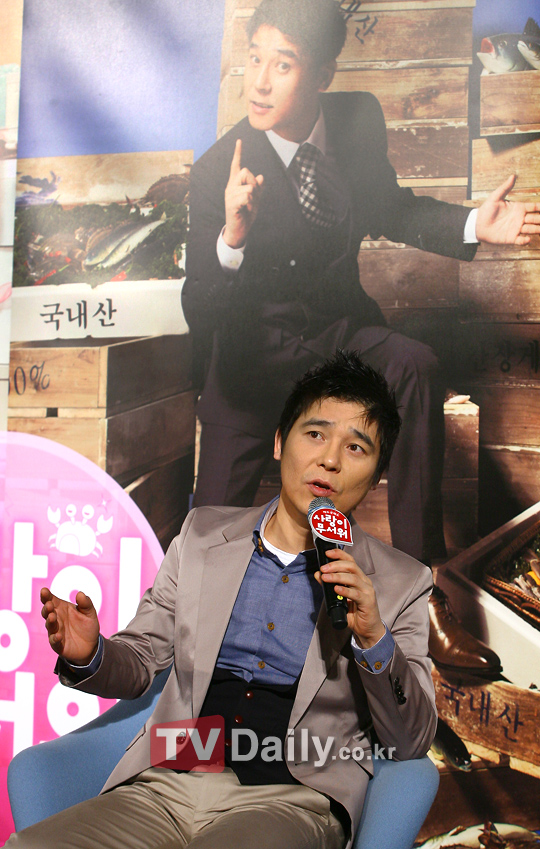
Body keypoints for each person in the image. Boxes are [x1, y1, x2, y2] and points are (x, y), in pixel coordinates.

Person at [182, 0, 540, 675]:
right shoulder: (216, 169)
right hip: (250, 364)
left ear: (321, 74)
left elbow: (390, 207)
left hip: (335, 337)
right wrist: (231, 236)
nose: (259, 80)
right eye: (254, 59)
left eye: (282, 64)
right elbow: (199, 307)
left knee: (414, 364)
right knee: (205, 553)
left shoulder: (355, 121)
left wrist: (473, 225)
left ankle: (419, 601)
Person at [10, 351, 436, 849]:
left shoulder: (401, 582)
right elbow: (142, 659)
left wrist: (373, 637)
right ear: (279, 442)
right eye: (316, 434)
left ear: (378, 475)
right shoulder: (201, 535)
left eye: (356, 447)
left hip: (290, 799)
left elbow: (410, 740)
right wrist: (92, 653)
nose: (330, 460)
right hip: (164, 784)